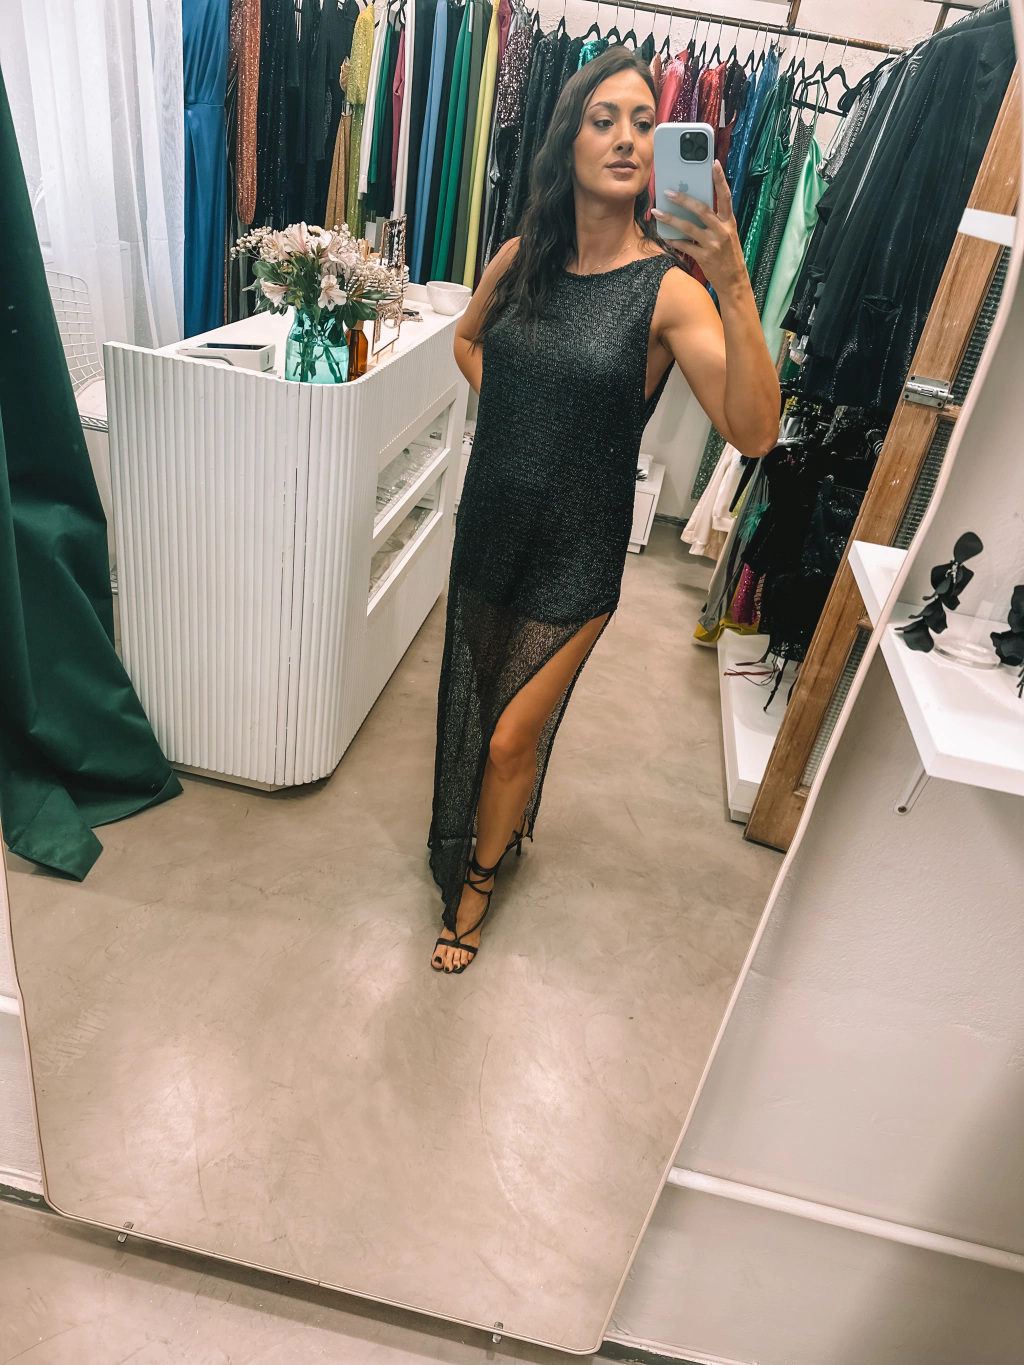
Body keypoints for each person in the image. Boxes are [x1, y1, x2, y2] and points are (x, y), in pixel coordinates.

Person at [428, 46, 780, 973]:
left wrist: (734, 281)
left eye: (643, 122)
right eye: (604, 119)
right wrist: (522, 421)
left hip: (578, 552)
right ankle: (502, 820)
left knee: (511, 736)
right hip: (490, 525)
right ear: (569, 141)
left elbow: (753, 431)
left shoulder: (671, 290)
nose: (627, 137)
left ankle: (479, 879)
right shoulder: (521, 260)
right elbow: (468, 341)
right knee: (483, 707)